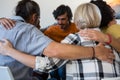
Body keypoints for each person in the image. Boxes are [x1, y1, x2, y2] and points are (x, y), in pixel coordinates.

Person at [0, 2, 116, 80]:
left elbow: (47, 64)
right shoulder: (111, 40)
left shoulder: (73, 38)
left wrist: (9, 51)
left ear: (74, 20)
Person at [43, 4, 78, 80]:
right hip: (55, 58)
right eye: (58, 19)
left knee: (62, 70)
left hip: (70, 56)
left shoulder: (76, 27)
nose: (60, 22)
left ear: (69, 18)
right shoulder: (51, 30)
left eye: (63, 19)